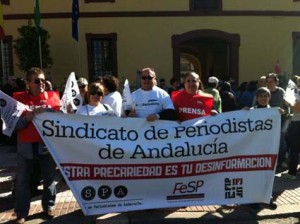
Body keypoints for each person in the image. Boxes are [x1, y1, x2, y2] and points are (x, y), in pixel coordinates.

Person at [12, 67, 61, 224]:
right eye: (37, 81)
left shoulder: (52, 98)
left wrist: (53, 112)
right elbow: (13, 126)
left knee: (49, 178)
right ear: (28, 83)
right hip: (26, 147)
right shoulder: (18, 100)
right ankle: (21, 213)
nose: (41, 84)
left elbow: (60, 120)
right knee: (23, 180)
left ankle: (49, 206)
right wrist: (28, 117)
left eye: (43, 80)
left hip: (46, 145)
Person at [266, 73, 290, 168]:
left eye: (271, 82)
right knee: (269, 142)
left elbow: (287, 107)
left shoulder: (281, 92)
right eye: (267, 82)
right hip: (268, 123)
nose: (269, 84)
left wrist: (284, 111)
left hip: (281, 121)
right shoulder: (264, 92)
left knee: (281, 142)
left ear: (276, 82)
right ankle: (271, 161)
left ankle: (282, 160)